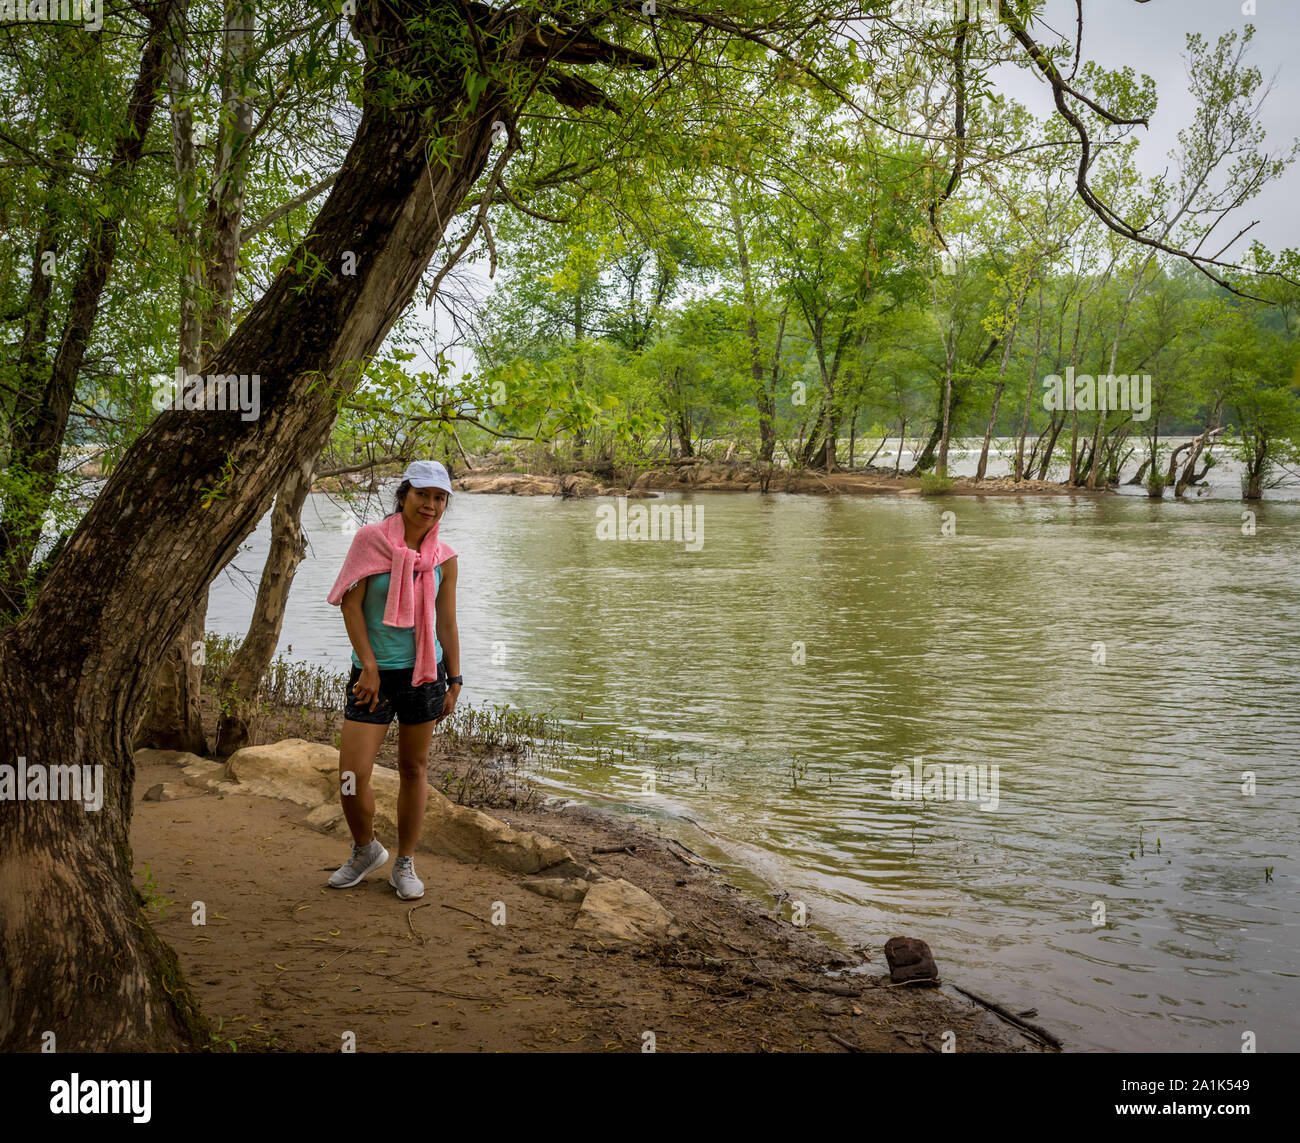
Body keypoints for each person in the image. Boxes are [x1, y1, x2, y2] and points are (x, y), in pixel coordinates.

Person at [323, 460, 463, 900]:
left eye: (440, 497)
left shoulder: (444, 558)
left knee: (413, 768)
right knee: (351, 772)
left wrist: (455, 679)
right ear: (403, 495)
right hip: (372, 675)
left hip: (424, 674)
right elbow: (351, 605)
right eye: (423, 494)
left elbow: (447, 622)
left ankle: (404, 862)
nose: (431, 504)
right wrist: (369, 664)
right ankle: (365, 850)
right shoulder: (370, 541)